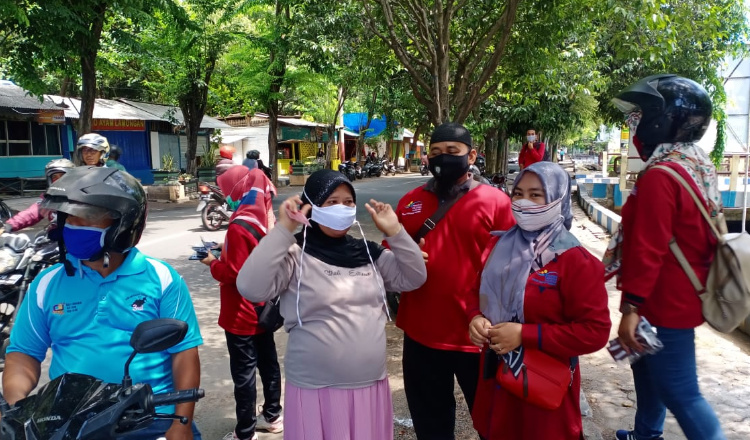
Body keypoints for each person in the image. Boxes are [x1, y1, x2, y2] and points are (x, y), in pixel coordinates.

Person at [3, 166, 204, 439]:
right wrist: (18, 413)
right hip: (70, 422)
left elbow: (184, 353)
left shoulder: (161, 278)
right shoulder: (47, 284)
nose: (75, 226)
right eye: (70, 218)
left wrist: (180, 424)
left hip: (150, 417)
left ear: (123, 224)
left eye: (89, 218)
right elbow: (24, 355)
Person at [236, 169, 427, 440]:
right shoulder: (295, 253)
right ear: (311, 207)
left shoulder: (368, 253)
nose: (343, 208)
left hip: (369, 385)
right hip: (316, 389)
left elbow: (415, 277)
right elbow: (250, 286)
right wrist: (283, 231)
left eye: (348, 201)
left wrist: (395, 231)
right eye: (331, 202)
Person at [607, 74, 725, 440]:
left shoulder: (661, 175)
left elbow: (648, 250)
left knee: (680, 391)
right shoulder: (694, 164)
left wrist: (631, 309)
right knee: (648, 372)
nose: (636, 124)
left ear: (664, 119)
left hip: (665, 303)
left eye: (642, 115)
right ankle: (646, 434)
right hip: (670, 296)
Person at [468, 161, 611, 439]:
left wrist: (525, 334)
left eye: (536, 195)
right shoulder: (498, 246)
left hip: (542, 394)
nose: (523, 202)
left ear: (558, 199)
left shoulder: (576, 262)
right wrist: (475, 316)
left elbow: (594, 332)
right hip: (496, 385)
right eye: (518, 193)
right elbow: (474, 291)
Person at [394, 122, 515, 439]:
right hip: (420, 332)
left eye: (452, 151)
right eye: (435, 152)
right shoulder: (409, 202)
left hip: (477, 336)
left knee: (492, 422)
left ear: (471, 155)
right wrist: (400, 255)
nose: (442, 158)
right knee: (430, 423)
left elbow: (514, 266)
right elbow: (388, 254)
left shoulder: (496, 202)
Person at [201, 167, 283, 440]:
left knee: (244, 374)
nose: (227, 197)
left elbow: (235, 275)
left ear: (239, 189)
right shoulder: (263, 219)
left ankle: (245, 432)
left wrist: (213, 262)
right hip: (264, 309)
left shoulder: (239, 226)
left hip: (240, 314)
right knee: (269, 364)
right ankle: (273, 416)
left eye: (227, 190)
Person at [2, 158, 75, 233]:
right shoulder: (51, 198)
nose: (58, 180)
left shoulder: (81, 195)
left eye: (62, 176)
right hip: (58, 237)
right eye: (54, 177)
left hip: (80, 238)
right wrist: (9, 226)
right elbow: (33, 213)